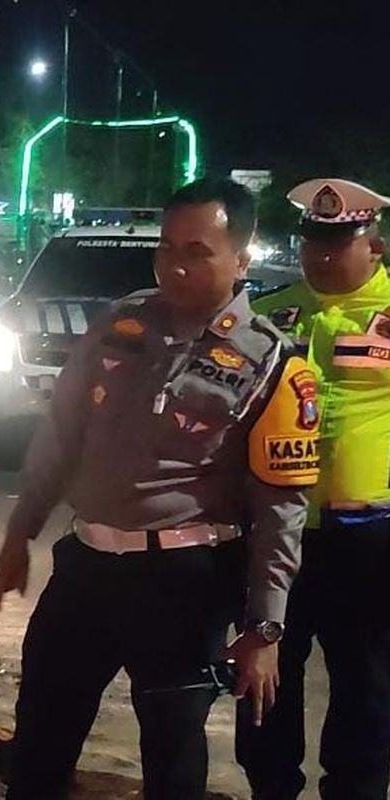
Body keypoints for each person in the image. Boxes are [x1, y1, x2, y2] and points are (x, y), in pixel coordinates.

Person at [0, 178, 319, 799]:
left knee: (172, 761)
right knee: (39, 739)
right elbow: (60, 433)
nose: (175, 264)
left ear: (241, 260)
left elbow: (280, 511)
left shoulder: (271, 363)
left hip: (184, 584)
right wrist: (21, 531)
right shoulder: (121, 324)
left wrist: (265, 630)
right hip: (85, 569)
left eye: (197, 251)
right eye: (167, 247)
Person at [237, 178, 390, 800]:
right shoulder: (269, 313)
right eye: (313, 240)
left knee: (367, 683)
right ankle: (270, 788)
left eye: (339, 241)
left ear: (373, 246)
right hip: (279, 537)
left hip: (370, 538)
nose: (322, 253)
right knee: (267, 676)